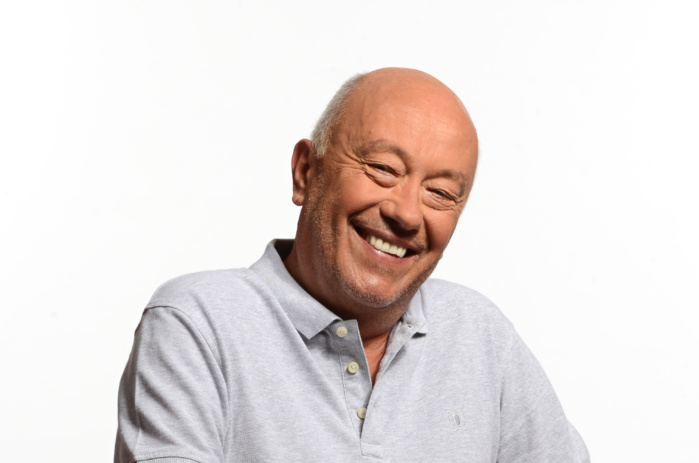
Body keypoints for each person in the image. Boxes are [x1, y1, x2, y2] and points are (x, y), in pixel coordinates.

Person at [115, 68, 590, 462]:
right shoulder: (198, 324)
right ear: (305, 172)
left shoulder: (480, 335)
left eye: (441, 193)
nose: (407, 214)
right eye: (383, 169)